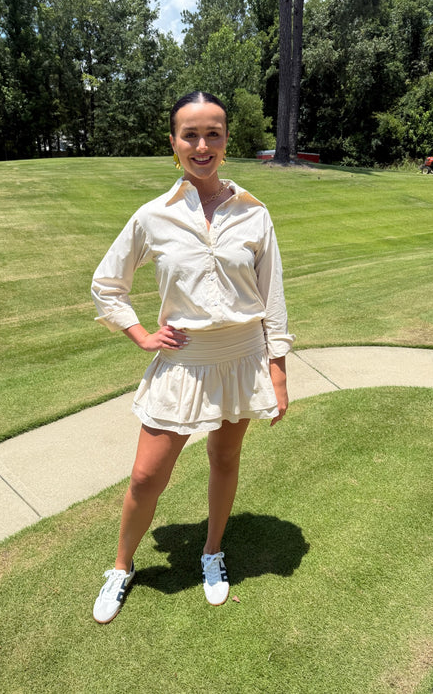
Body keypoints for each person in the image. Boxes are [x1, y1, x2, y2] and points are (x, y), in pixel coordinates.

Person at [90, 91, 295, 623]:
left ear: (226, 141)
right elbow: (107, 285)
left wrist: (278, 370)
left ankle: (212, 551)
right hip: (183, 361)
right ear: (174, 143)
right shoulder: (152, 216)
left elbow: (272, 296)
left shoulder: (254, 213)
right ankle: (121, 566)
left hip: (243, 355)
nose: (202, 145)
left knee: (225, 459)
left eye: (213, 134)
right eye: (191, 135)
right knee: (145, 476)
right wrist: (140, 334)